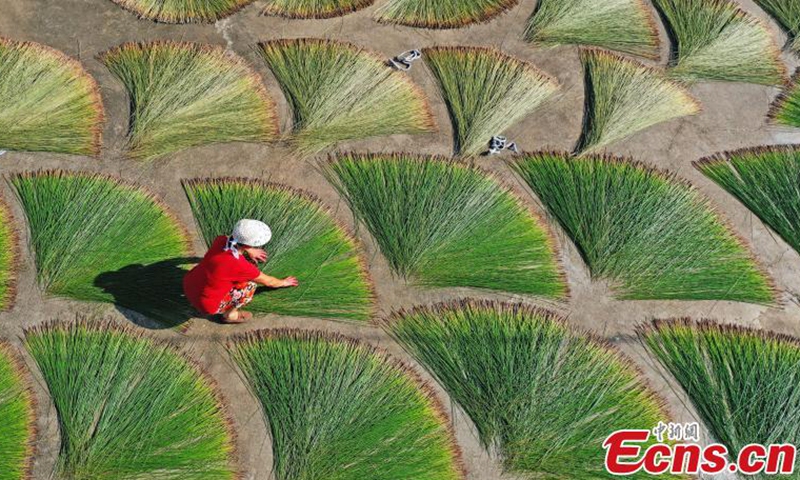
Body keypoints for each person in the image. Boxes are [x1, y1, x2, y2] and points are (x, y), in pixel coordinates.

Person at [183, 219, 299, 323]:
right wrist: (284, 282)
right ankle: (230, 315)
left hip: (189, 283)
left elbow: (231, 245)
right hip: (207, 305)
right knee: (250, 286)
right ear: (247, 245)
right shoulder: (241, 266)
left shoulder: (221, 240)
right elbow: (269, 282)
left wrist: (249, 250)